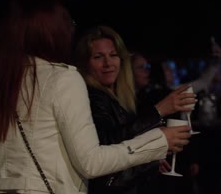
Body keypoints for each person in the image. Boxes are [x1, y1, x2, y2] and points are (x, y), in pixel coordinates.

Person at [0, 0, 191, 194]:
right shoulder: (64, 78)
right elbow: (90, 162)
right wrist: (158, 141)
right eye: (67, 25)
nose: (71, 32)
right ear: (51, 33)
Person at [73, 26, 196, 194]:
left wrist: (151, 157)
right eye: (98, 57)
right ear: (85, 63)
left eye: (113, 55)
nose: (108, 63)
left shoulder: (117, 96)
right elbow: (107, 145)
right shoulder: (92, 97)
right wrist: (159, 111)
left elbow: (126, 147)